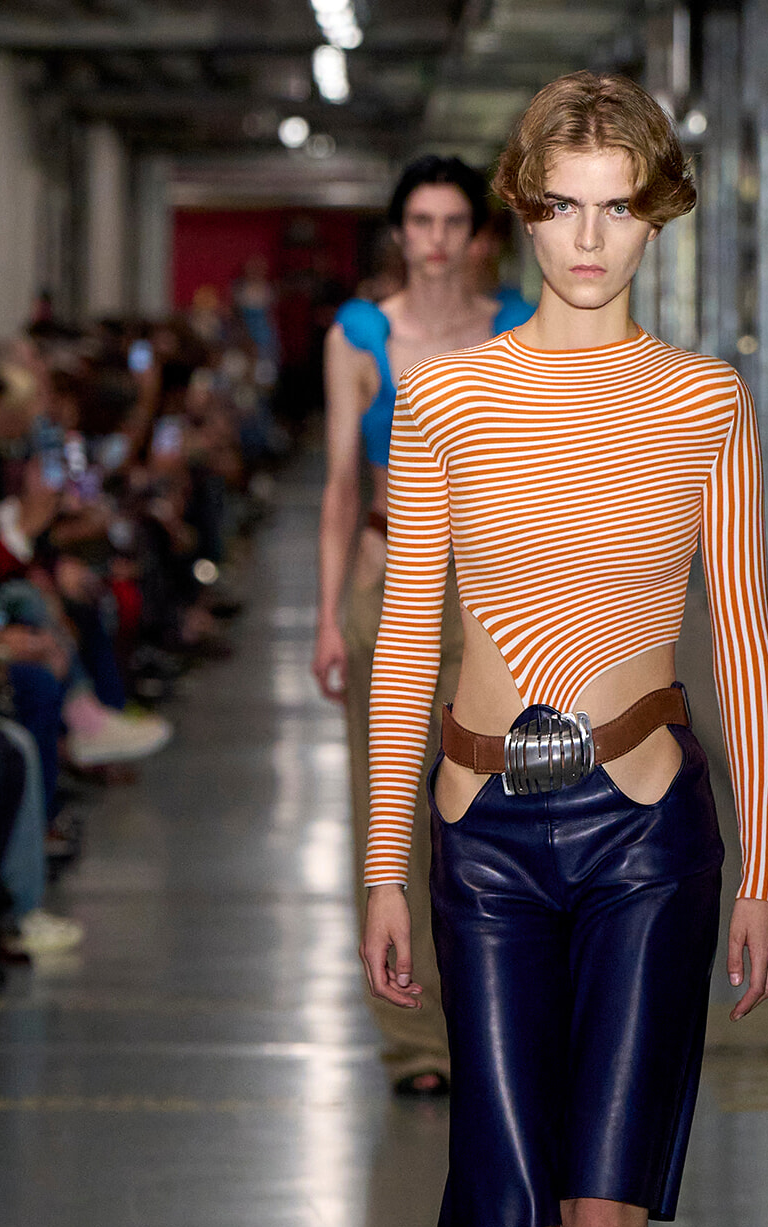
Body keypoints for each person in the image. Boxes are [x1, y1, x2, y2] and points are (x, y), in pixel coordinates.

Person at [360, 73, 768, 1227]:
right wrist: (384, 858)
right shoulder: (449, 397)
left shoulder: (702, 401)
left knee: (609, 1216)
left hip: (645, 829)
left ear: (655, 212)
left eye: (621, 204)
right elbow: (411, 629)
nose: (591, 236)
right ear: (525, 211)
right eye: (563, 205)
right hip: (481, 832)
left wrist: (764, 857)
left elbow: (736, 630)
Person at [313, 155, 532, 1096]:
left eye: (454, 222)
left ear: (478, 236)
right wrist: (326, 618)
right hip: (386, 575)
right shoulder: (359, 336)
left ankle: (499, 1024)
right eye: (421, 222)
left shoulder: (522, 326)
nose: (437, 240)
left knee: (493, 803)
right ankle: (415, 1043)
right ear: (399, 234)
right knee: (391, 811)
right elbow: (339, 483)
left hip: (491, 596)